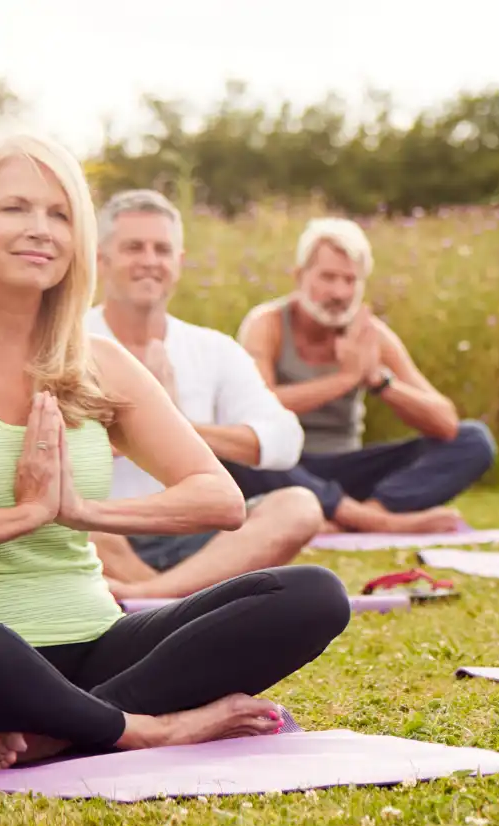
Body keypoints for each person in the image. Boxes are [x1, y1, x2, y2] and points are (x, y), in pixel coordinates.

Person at [0, 129, 349, 769]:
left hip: (93, 640)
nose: (40, 229)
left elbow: (220, 497)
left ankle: (61, 729)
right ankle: (144, 730)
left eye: (59, 214)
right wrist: (25, 515)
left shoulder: (95, 362)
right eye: (14, 208)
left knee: (313, 595)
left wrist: (81, 511)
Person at [83, 189, 323, 600]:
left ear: (178, 263)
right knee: (71, 520)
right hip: (105, 532)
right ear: (102, 260)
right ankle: (176, 598)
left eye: (162, 249)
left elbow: (285, 440)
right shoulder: (69, 343)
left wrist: (173, 424)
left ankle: (153, 596)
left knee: (299, 506)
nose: (149, 260)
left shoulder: (212, 348)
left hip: (197, 538)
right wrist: (126, 430)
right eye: (133, 247)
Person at [231, 218, 496, 534]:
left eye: (350, 280)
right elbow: (255, 407)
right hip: (285, 467)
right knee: (231, 447)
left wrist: (379, 382)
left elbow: (445, 422)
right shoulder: (267, 324)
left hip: (347, 469)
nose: (339, 292)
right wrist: (344, 379)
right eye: (328, 277)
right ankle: (375, 523)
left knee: (474, 440)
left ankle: (357, 516)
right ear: (299, 276)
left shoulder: (372, 336)